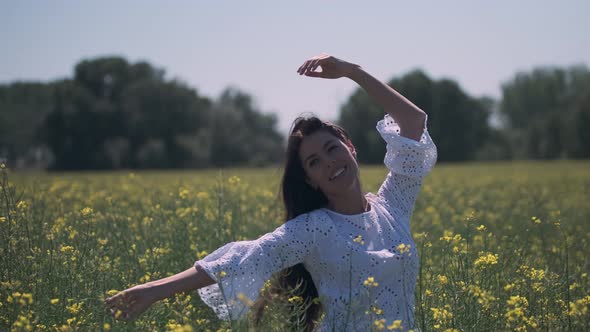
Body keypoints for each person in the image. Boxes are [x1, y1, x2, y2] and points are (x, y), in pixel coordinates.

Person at [104, 54, 437, 331]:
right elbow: (238, 259)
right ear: (310, 180)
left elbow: (413, 121)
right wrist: (152, 291)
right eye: (314, 162)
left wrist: (352, 72)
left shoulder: (392, 208)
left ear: (350, 147)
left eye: (332, 149)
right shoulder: (313, 229)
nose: (330, 163)